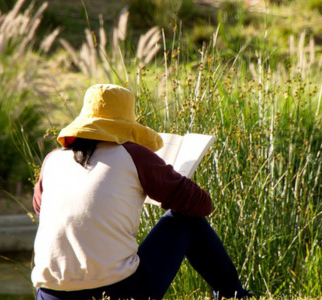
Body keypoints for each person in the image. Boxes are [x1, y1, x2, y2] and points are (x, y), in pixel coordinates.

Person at [31, 84, 253, 300]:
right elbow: (202, 204)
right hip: (118, 292)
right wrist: (167, 181)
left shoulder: (52, 160)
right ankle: (233, 295)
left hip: (49, 294)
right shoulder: (133, 154)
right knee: (187, 219)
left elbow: (41, 209)